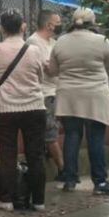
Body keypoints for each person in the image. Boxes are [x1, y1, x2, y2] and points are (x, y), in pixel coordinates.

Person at [48, 8, 109, 195]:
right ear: (93, 23)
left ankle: (70, 179)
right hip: (95, 95)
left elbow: (53, 70)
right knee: (95, 137)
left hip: (68, 95)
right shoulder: (101, 41)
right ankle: (100, 182)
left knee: (72, 136)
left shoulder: (60, 42)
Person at [0, 10, 47, 211]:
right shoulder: (34, 50)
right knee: (36, 154)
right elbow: (40, 77)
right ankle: (38, 201)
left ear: (1, 28)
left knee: (7, 155)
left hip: (5, 109)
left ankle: (6, 200)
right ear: (23, 26)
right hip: (34, 107)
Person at [28, 10, 66, 180]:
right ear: (48, 24)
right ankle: (63, 169)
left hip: (57, 92)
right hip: (44, 94)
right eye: (57, 21)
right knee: (50, 133)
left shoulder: (54, 42)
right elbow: (48, 69)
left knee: (56, 132)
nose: (59, 24)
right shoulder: (33, 43)